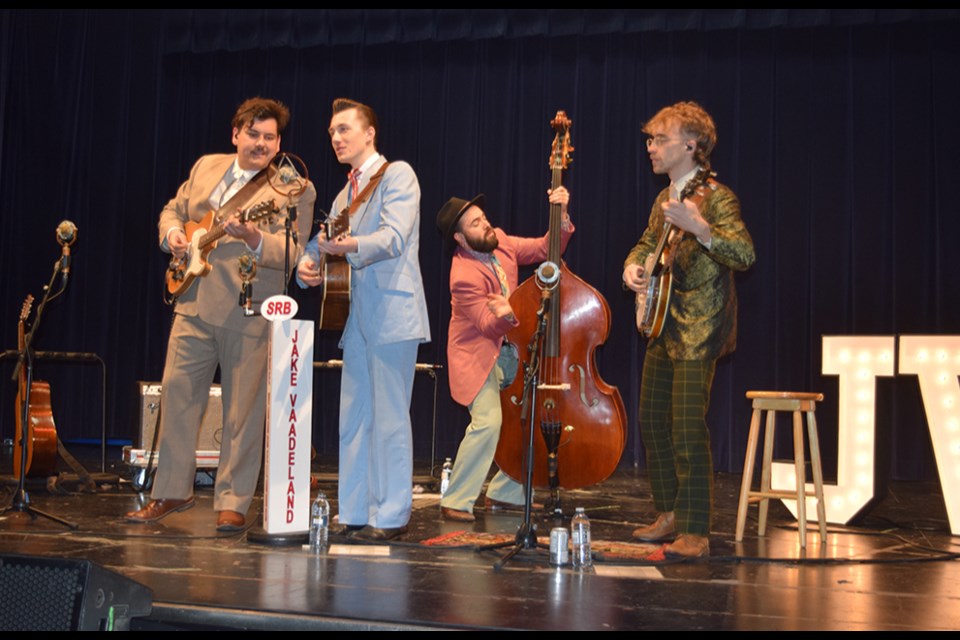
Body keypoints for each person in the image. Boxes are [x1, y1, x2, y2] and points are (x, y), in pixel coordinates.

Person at [127, 97, 316, 531]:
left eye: (270, 137)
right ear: (235, 134)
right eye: (253, 134)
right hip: (192, 302)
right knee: (176, 397)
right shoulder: (205, 167)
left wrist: (253, 238)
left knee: (242, 412)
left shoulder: (294, 189)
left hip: (247, 310)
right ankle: (172, 491)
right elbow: (172, 211)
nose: (261, 143)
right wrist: (173, 233)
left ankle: (233, 500)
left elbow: (292, 251)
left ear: (279, 143)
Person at [622, 101, 755, 558]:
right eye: (649, 140)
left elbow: (744, 254)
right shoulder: (664, 199)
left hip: (700, 325)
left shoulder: (717, 198)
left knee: (685, 426)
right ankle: (670, 512)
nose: (650, 147)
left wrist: (702, 229)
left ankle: (696, 529)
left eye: (659, 139)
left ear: (691, 145)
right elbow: (645, 243)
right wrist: (633, 267)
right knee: (651, 421)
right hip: (662, 322)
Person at [297, 98, 430, 541]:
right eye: (331, 132)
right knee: (353, 417)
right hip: (356, 318)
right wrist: (308, 264)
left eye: (344, 129)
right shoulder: (343, 194)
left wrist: (347, 246)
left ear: (369, 133)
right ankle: (354, 511)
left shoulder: (398, 175)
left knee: (390, 417)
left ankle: (391, 515)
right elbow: (323, 245)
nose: (336, 138)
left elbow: (393, 238)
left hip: (394, 313)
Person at [435, 189, 573, 522]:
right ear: (460, 237)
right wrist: (507, 314)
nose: (485, 224)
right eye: (474, 223)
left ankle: (505, 493)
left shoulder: (502, 242)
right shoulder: (463, 276)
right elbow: (485, 326)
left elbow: (544, 249)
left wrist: (562, 216)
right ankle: (455, 499)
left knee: (522, 422)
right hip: (478, 355)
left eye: (483, 217)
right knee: (488, 422)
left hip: (512, 352)